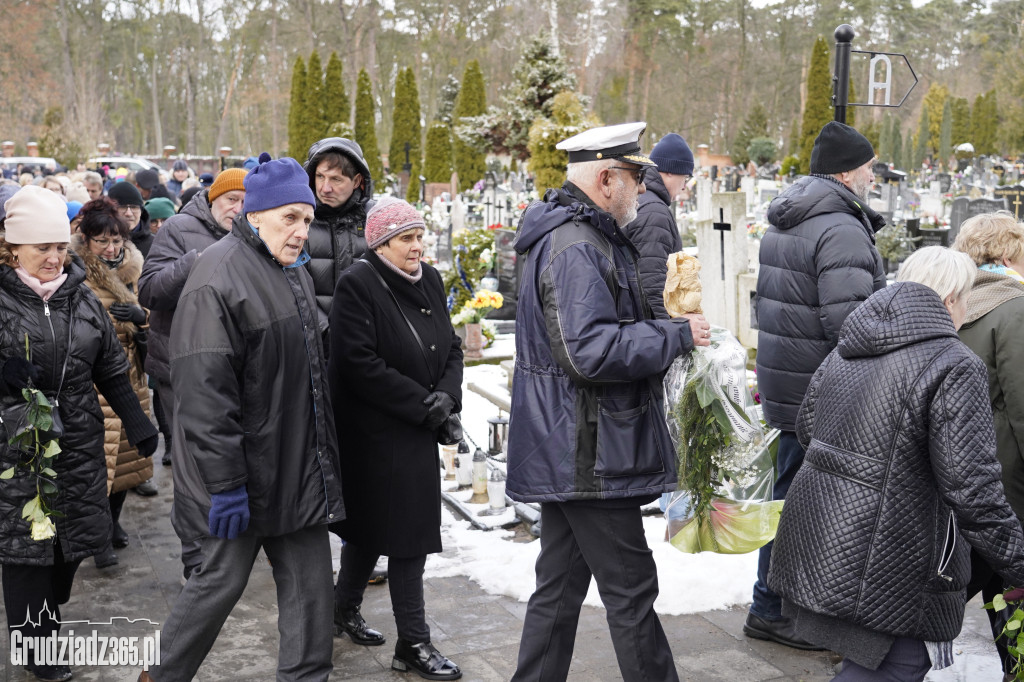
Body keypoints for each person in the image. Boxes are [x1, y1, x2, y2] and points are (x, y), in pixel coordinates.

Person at [506, 122, 710, 682]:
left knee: (560, 589)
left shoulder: (585, 236)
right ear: (605, 178)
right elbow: (589, 352)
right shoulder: (576, 246)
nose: (642, 192)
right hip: (588, 446)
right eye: (635, 180)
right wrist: (676, 336)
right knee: (631, 589)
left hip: (576, 443)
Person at [768, 246, 1024, 681]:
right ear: (949, 302)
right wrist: (1019, 561)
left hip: (827, 538)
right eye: (965, 300)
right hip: (898, 555)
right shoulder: (954, 364)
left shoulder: (850, 346)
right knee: (897, 665)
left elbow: (808, 429)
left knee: (871, 661)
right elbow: (972, 488)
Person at [140, 154, 343, 682]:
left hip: (294, 467)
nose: (302, 231)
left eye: (307, 217)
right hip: (239, 476)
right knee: (217, 585)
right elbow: (204, 396)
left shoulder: (287, 269)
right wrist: (227, 483)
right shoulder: (217, 277)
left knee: (312, 595)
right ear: (255, 215)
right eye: (290, 218)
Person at [0, 186, 157, 682]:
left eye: (59, 247)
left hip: (78, 442)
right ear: (13, 249)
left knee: (66, 553)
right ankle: (36, 649)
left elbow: (111, 366)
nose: (53, 257)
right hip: (19, 451)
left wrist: (139, 424)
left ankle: (46, 609)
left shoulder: (81, 298)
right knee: (27, 552)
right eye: (40, 248)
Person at [748, 120, 886, 650]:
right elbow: (851, 321)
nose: (873, 175)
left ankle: (777, 604)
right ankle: (773, 609)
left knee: (790, 496)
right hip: (823, 389)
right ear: (848, 171)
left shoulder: (791, 217)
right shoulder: (841, 226)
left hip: (789, 382)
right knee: (803, 503)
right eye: (869, 166)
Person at [328, 196, 463, 680]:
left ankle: (342, 609)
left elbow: (451, 345)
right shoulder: (357, 283)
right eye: (407, 238)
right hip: (374, 430)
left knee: (394, 529)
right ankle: (413, 642)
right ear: (381, 244)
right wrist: (421, 406)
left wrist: (447, 395)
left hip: (417, 424)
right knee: (399, 534)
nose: (418, 246)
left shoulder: (428, 277)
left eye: (419, 236)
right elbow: (357, 363)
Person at [138, 167, 245, 575]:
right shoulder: (180, 229)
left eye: (245, 201)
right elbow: (150, 291)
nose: (238, 208)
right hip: (178, 366)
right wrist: (193, 264)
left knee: (224, 457)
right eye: (230, 199)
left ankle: (228, 542)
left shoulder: (252, 234)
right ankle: (194, 555)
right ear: (213, 198)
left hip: (229, 367)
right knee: (189, 462)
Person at [952, 212, 1024, 677]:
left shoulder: (959, 300)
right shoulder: (1013, 309)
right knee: (1012, 589)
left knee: (965, 581)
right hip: (1007, 478)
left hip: (962, 471)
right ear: (1005, 254)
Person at [72, 198, 156, 570]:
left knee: (128, 459)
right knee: (99, 462)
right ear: (86, 242)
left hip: (133, 374)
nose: (111, 248)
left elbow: (149, 318)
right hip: (95, 379)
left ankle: (115, 521)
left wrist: (141, 318)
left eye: (116, 241)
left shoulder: (132, 269)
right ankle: (99, 535)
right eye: (102, 241)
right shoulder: (77, 274)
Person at [303, 137, 374, 338]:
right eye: (320, 176)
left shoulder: (376, 219)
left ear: (357, 181)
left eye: (336, 179)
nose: (325, 188)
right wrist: (328, 334)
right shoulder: (299, 220)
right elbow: (293, 287)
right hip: (314, 341)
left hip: (367, 341)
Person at [621, 132, 693, 319]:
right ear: (669, 171)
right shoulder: (654, 212)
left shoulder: (645, 200)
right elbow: (653, 286)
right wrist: (673, 335)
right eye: (684, 178)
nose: (684, 186)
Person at [107, 181, 153, 258]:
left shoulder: (154, 245)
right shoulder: (98, 242)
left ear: (141, 211)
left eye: (134, 207)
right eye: (122, 207)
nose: (129, 213)